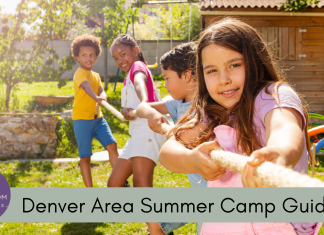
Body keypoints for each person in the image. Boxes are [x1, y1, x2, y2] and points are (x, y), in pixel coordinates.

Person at [159, 18, 323, 235]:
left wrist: (280, 154)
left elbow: (284, 127)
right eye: (211, 71)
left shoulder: (273, 96)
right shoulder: (210, 112)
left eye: (234, 65)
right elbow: (168, 152)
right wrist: (191, 160)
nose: (223, 79)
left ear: (255, 62)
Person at [136, 42, 206, 235]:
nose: (164, 85)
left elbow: (185, 140)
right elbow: (143, 107)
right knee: (156, 222)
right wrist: (151, 115)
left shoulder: (207, 106)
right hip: (198, 193)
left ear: (186, 76)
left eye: (167, 78)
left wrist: (171, 130)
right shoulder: (178, 103)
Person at [107, 34, 165, 188]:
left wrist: (144, 102)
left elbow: (140, 83)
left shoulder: (137, 67)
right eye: (116, 58)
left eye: (123, 54)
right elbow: (133, 105)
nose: (120, 60)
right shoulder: (128, 77)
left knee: (141, 185)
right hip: (136, 134)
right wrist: (127, 112)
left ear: (136, 50)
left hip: (147, 132)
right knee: (114, 184)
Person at [71, 35, 119, 187]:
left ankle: (121, 181)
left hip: (98, 119)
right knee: (85, 157)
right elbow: (86, 87)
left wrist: (102, 97)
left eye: (92, 55)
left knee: (112, 145)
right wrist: (96, 98)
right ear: (77, 57)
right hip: (81, 120)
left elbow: (101, 91)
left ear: (97, 56)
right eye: (84, 55)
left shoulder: (96, 76)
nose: (88, 58)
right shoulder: (80, 73)